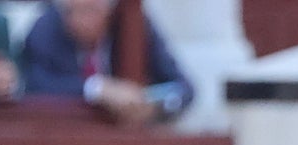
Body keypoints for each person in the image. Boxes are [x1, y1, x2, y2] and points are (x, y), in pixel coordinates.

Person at [19, 0, 193, 126]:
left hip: (127, 138)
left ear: (109, 11)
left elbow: (184, 88)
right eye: (75, 11)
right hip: (69, 137)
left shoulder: (133, 25)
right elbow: (36, 84)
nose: (83, 20)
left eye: (91, 10)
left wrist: (154, 105)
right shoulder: (46, 28)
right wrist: (97, 88)